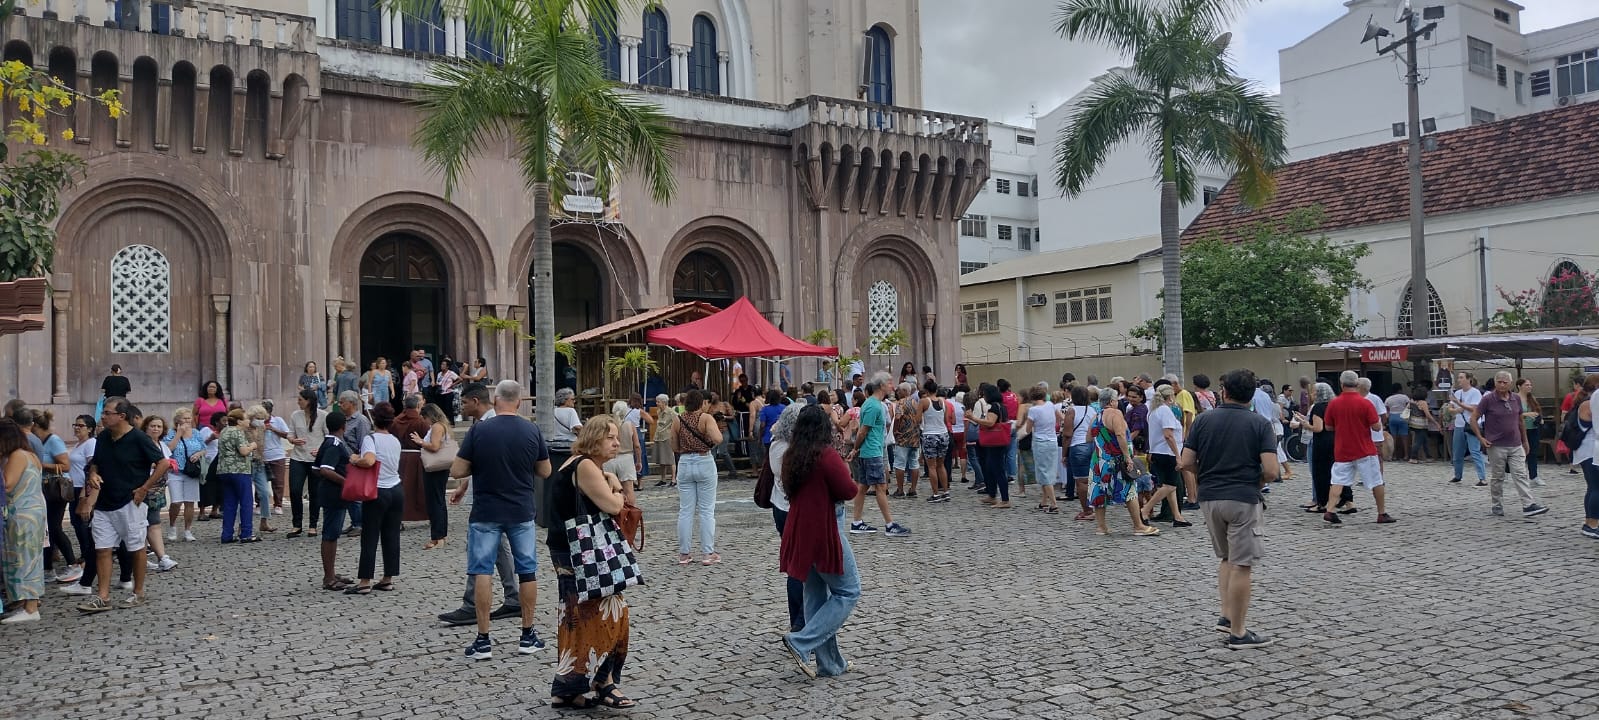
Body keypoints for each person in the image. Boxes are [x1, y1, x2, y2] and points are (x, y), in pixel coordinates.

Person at [451, 379, 551, 660]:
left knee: (482, 571)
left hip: (485, 511)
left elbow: (458, 470)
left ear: (495, 400)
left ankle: (483, 639)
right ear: (519, 402)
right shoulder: (531, 430)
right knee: (527, 570)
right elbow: (544, 470)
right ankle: (527, 634)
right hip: (520, 510)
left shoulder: (480, 430)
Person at [1178, 368, 1277, 649]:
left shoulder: (1203, 421)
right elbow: (1270, 470)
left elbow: (1186, 462)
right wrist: (1253, 480)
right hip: (1243, 497)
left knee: (1226, 558)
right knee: (1242, 564)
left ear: (1224, 392)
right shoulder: (1259, 424)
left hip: (1210, 498)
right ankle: (1239, 631)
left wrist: (1206, 474)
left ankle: (1225, 615)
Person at [547, 416, 636, 710]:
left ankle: (568, 687)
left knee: (576, 615)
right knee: (609, 612)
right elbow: (613, 505)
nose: (616, 443)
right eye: (610, 437)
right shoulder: (584, 465)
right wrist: (615, 484)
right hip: (582, 551)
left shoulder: (579, 464)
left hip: (569, 549)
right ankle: (603, 681)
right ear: (595, 438)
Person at [777, 404, 861, 679]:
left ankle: (829, 664)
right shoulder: (825, 455)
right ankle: (801, 641)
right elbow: (848, 490)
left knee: (815, 596)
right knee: (848, 590)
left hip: (800, 527)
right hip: (823, 526)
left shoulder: (792, 455)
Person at [437, 382, 524, 626]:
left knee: (479, 549)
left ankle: (472, 603)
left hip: (490, 497)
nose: (462, 407)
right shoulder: (487, 424)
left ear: (476, 401)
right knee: (498, 549)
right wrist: (466, 486)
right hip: (494, 493)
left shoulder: (488, 426)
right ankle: (513, 596)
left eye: (464, 402)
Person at [78, 397, 168, 613]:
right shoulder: (103, 437)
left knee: (136, 547)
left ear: (121, 416)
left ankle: (138, 592)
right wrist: (93, 474)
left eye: (108, 413)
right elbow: (96, 463)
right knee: (102, 548)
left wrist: (144, 488)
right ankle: (103, 596)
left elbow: (163, 463)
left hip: (131, 501)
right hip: (105, 501)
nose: (103, 416)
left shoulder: (138, 438)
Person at [1470, 371, 1547, 519]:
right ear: (1495, 382)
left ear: (1510, 384)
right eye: (1499, 381)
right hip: (1496, 444)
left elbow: (1519, 421)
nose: (1502, 384)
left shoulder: (1516, 399)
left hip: (1515, 443)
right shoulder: (1488, 399)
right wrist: (1480, 437)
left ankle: (1528, 505)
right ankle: (1497, 504)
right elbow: (1474, 418)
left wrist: (1525, 441)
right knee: (1498, 477)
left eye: (1505, 382)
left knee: (1520, 474)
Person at [345, 404, 403, 595]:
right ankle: (388, 578)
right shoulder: (395, 440)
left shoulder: (371, 439)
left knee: (370, 536)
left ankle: (364, 581)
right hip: (396, 489)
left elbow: (369, 460)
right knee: (391, 535)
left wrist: (354, 459)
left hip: (378, 490)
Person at [1322, 371, 1395, 525]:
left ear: (1341, 384)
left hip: (1342, 449)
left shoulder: (1334, 403)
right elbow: (1376, 427)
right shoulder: (1365, 403)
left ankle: (1330, 510)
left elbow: (1328, 427)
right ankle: (1381, 513)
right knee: (1377, 480)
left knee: (1337, 480)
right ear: (1357, 384)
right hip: (1364, 449)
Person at [760, 403, 808, 633]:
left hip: (781, 506)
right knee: (799, 567)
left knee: (795, 566)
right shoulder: (791, 448)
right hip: (792, 508)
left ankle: (798, 618)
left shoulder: (776, 444)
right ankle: (800, 619)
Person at [1088, 387, 1160, 536]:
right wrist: (1128, 457)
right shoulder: (1115, 413)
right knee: (1129, 490)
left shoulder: (1096, 416)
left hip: (1099, 460)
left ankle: (1101, 527)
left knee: (1100, 491)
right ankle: (1138, 526)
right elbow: (1120, 434)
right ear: (1113, 401)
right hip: (1116, 460)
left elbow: (1088, 437)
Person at [847, 378, 910, 537]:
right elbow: (863, 431)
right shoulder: (874, 406)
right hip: (872, 451)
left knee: (863, 487)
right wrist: (855, 449)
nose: (892, 386)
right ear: (881, 386)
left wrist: (857, 449)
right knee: (881, 487)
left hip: (870, 450)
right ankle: (889, 525)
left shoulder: (871, 404)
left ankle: (857, 522)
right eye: (889, 383)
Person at [2, 417, 46, 622]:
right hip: (31, 512)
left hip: (22, 513)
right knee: (27, 557)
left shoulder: (18, 456)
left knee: (24, 558)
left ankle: (30, 608)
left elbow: (7, 485)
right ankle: (25, 602)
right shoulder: (28, 454)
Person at [673, 390, 724, 565]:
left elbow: (673, 445)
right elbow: (718, 438)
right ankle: (707, 553)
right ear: (701, 403)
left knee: (685, 510)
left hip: (685, 462)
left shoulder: (677, 419)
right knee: (706, 510)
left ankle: (684, 553)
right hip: (704, 460)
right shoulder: (705, 418)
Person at [26, 410, 76, 583]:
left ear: (35, 425)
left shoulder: (53, 440)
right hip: (44, 489)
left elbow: (65, 465)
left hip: (56, 490)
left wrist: (41, 464)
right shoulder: (38, 441)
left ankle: (73, 564)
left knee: (54, 528)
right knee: (46, 530)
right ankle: (48, 568)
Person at [1141, 385, 1192, 527]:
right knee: (1170, 486)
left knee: (1170, 486)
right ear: (1170, 397)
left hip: (1157, 451)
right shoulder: (1165, 411)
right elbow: (1168, 435)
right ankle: (1145, 509)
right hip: (1167, 452)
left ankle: (1177, 516)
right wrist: (1177, 455)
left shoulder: (1153, 411)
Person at [1300, 382, 1352, 515]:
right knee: (1339, 473)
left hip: (1322, 443)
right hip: (1337, 440)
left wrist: (1306, 425)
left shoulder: (1319, 407)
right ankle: (1348, 501)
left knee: (1321, 473)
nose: (1311, 395)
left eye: (1313, 392)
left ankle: (1322, 503)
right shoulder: (1336, 405)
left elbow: (1318, 428)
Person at [138, 415, 178, 572]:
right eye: (152, 426)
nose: (155, 429)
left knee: (152, 522)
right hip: (144, 487)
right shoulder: (142, 444)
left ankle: (155, 557)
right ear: (146, 427)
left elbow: (168, 461)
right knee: (146, 524)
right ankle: (160, 557)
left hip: (159, 489)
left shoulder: (162, 445)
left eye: (159, 426)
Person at [411, 402, 454, 549]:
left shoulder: (436, 427)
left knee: (434, 502)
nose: (424, 421)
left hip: (435, 469)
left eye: (424, 418)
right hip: (440, 468)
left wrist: (420, 442)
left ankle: (437, 536)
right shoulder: (442, 426)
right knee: (439, 501)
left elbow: (435, 446)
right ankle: (440, 535)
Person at [1015, 386, 1063, 513]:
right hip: (1052, 441)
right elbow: (1060, 417)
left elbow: (1028, 429)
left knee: (1043, 472)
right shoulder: (1050, 405)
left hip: (1040, 442)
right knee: (1048, 470)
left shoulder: (1034, 410)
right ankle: (1044, 501)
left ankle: (1053, 504)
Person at [215, 409, 258, 544]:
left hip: (224, 470)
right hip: (239, 470)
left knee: (229, 503)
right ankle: (246, 533)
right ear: (239, 421)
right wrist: (252, 446)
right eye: (246, 418)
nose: (248, 421)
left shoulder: (224, 431)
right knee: (246, 502)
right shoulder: (238, 432)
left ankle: (226, 534)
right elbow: (243, 451)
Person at [286, 390, 324, 538]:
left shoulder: (323, 416)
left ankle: (313, 525)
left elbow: (328, 435)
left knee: (315, 492)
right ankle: (297, 524)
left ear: (308, 401)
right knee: (295, 490)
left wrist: (321, 450)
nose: (298, 402)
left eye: (300, 399)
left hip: (315, 458)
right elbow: (290, 433)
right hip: (298, 457)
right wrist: (292, 440)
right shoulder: (295, 415)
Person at [392, 394, 433, 526]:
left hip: (399, 458)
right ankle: (427, 514)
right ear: (417, 406)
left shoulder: (396, 421)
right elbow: (429, 438)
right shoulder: (420, 422)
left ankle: (398, 517)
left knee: (402, 488)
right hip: (416, 458)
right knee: (419, 488)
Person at [336, 392, 371, 537]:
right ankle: (355, 521)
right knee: (348, 493)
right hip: (344, 461)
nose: (340, 405)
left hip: (355, 461)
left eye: (342, 402)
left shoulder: (361, 420)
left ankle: (360, 523)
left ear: (351, 403)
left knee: (355, 494)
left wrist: (359, 459)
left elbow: (364, 442)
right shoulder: (343, 420)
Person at [1063, 385, 1098, 518]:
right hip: (1092, 445)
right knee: (1092, 479)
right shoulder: (1093, 410)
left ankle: (1087, 510)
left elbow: (1067, 435)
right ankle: (1097, 505)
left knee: (1081, 481)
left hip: (1078, 446)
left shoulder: (1071, 411)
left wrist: (1064, 454)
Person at [1448, 371, 1487, 485]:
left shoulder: (1475, 393)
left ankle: (1482, 478)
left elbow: (1475, 408)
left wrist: (1459, 404)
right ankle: (1457, 475)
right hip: (1459, 425)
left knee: (1475, 451)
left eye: (1461, 377)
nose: (1459, 380)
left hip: (1472, 425)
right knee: (1457, 452)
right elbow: (1450, 408)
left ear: (1468, 379)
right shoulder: (1458, 393)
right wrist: (1456, 409)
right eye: (1458, 378)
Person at [916, 379, 952, 503]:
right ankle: (946, 491)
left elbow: (917, 420)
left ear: (926, 391)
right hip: (943, 433)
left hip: (930, 434)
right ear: (936, 390)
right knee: (941, 465)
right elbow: (946, 418)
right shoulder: (943, 402)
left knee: (931, 466)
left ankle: (935, 494)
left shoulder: (924, 402)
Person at [1572, 374, 1598, 539]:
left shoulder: (1587, 401)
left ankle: (1589, 522)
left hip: (1586, 450)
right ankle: (1592, 524)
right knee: (1596, 487)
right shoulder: (1590, 403)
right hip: (1589, 450)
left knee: (1593, 487)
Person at [603, 400, 642, 499]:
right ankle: (631, 513)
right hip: (626, 458)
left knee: (609, 489)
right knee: (629, 490)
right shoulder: (630, 425)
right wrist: (639, 461)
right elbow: (637, 445)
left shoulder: (608, 425)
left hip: (610, 458)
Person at [888, 384, 922, 498]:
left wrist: (895, 430)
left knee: (900, 464)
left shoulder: (901, 403)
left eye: (898, 390)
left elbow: (898, 417)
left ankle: (900, 489)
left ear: (904, 391)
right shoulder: (916, 402)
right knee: (914, 463)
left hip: (903, 437)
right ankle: (913, 488)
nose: (897, 392)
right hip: (915, 436)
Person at [261, 399, 292, 517]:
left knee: (278, 481)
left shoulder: (278, 420)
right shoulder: (257, 422)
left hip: (277, 454)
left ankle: (278, 504)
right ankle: (259, 504)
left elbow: (287, 434)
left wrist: (273, 429)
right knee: (261, 481)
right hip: (262, 455)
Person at [1516, 378, 1543, 485]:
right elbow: (1512, 414)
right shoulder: (1515, 398)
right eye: (1527, 385)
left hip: (1533, 429)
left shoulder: (1532, 398)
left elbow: (1538, 411)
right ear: (1519, 386)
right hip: (1520, 429)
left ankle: (1534, 476)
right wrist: (1526, 414)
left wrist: (1539, 418)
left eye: (1530, 385)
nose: (1529, 387)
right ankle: (1518, 475)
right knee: (1519, 453)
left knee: (1533, 452)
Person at [652, 394, 677, 488]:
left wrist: (672, 433)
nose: (657, 403)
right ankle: (663, 479)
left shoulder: (671, 412)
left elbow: (676, 422)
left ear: (664, 402)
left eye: (658, 401)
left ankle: (673, 478)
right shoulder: (659, 411)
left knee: (670, 458)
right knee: (661, 459)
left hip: (667, 437)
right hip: (659, 436)